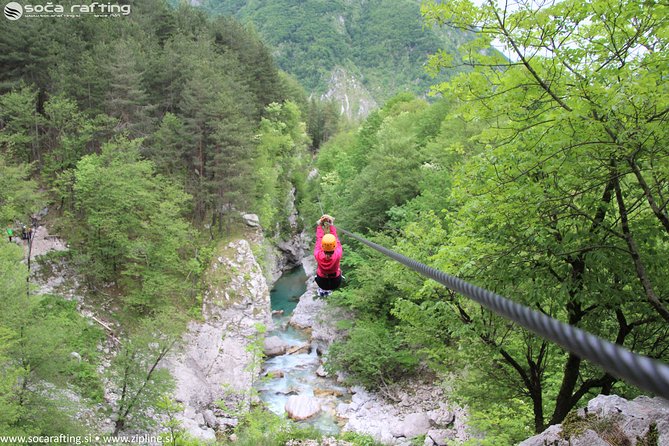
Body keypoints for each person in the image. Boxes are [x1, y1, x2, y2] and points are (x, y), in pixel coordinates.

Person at [314, 214, 343, 298]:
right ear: (334, 246)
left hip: (322, 282)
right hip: (335, 282)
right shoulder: (338, 253)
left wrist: (320, 225)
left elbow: (319, 239)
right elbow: (335, 238)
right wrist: (331, 224)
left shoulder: (318, 254)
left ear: (322, 246)